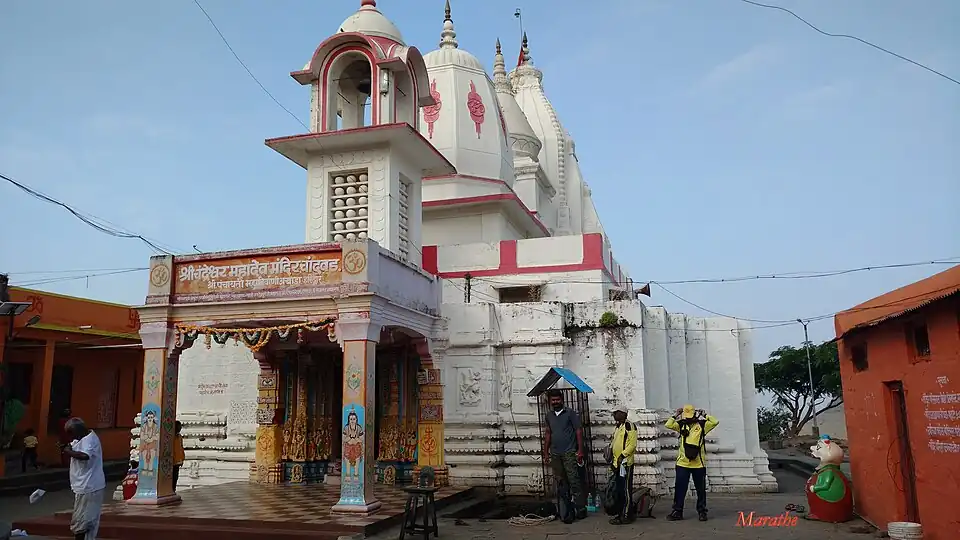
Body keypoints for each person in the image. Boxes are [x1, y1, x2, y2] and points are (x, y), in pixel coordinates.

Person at [665, 405, 718, 522]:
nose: (688, 419)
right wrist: (676, 414)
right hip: (683, 463)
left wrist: (705, 415)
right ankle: (677, 511)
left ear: (694, 414)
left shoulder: (702, 425)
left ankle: (702, 511)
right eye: (686, 416)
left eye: (690, 416)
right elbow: (668, 424)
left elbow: (715, 422)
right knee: (680, 489)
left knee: (700, 489)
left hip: (699, 464)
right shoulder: (681, 424)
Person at [542, 389, 587, 523]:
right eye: (553, 400)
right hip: (556, 453)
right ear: (550, 402)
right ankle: (565, 509)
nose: (555, 402)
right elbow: (548, 434)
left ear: (562, 400)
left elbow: (578, 431)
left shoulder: (570, 413)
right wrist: (545, 452)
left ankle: (580, 508)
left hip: (569, 452)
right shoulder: (549, 415)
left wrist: (580, 450)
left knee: (574, 481)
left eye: (557, 399)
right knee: (561, 482)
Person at [60, 418, 105, 540]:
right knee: (85, 520)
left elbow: (85, 456)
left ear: (78, 431)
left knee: (82, 521)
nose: (72, 438)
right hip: (85, 486)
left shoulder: (89, 440)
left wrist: (68, 452)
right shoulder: (83, 438)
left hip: (89, 486)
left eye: (72, 434)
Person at [609, 407, 638, 525]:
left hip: (625, 463)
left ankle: (626, 515)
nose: (614, 415)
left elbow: (632, 445)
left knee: (625, 490)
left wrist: (622, 455)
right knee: (619, 490)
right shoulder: (618, 426)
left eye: (616, 413)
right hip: (617, 463)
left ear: (623, 414)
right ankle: (620, 513)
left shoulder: (629, 426)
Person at [173, 421, 185, 492]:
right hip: (172, 461)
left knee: (175, 477)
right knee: (172, 478)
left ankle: (173, 489)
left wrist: (182, 458)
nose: (180, 428)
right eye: (178, 427)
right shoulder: (171, 437)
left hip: (178, 461)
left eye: (180, 427)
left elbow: (181, 448)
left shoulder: (180, 437)